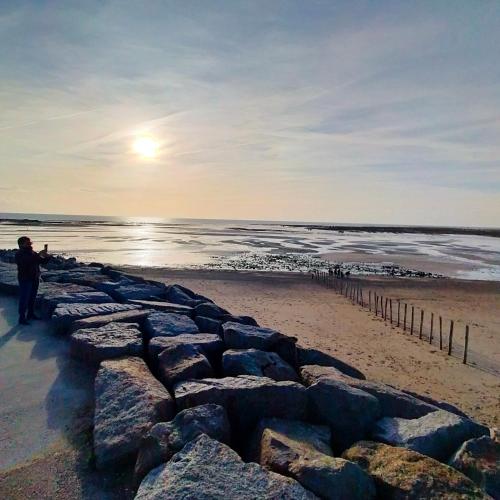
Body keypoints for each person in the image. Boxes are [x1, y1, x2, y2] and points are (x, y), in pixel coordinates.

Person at [15, 236, 50, 325]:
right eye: (28, 243)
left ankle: (30, 314)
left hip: (34, 278)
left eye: (30, 242)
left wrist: (47, 256)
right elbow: (27, 262)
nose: (30, 244)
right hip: (25, 279)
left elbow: (40, 261)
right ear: (21, 244)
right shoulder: (19, 254)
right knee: (24, 298)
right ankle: (22, 318)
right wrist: (39, 255)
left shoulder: (32, 252)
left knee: (32, 297)